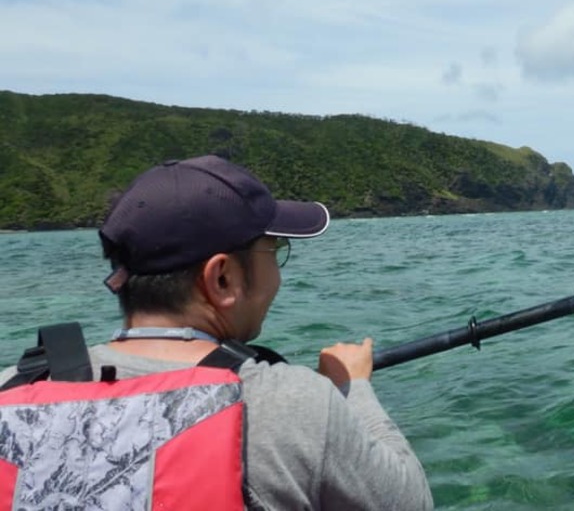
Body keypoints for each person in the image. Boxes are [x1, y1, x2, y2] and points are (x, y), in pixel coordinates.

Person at [0, 155, 434, 510]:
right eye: (274, 250)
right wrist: (351, 386)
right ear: (222, 278)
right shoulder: (290, 404)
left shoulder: (10, 387)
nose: (279, 272)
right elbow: (411, 502)